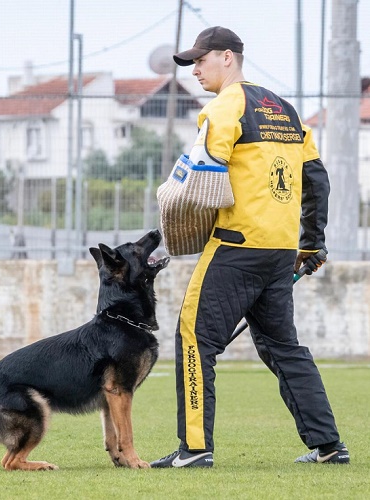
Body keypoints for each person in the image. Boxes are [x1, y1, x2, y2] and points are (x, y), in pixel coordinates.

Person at [151, 26, 349, 468]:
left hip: (236, 247)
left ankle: (195, 449)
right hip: (279, 252)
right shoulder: (286, 109)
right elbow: (316, 179)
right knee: (284, 347)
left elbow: (202, 178)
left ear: (228, 57)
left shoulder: (224, 107)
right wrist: (311, 243)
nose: (195, 70)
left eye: (201, 60)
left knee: (193, 339)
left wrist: (175, 217)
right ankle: (329, 445)